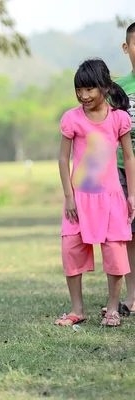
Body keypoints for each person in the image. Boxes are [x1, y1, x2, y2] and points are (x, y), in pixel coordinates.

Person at [56, 58, 135, 327]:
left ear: (103, 87)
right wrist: (69, 196)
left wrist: (131, 195)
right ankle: (77, 309)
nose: (83, 95)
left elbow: (129, 157)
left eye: (89, 89)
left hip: (112, 198)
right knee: (71, 249)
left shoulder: (119, 119)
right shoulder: (72, 119)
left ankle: (113, 309)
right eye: (79, 90)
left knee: (114, 251)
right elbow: (63, 159)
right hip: (78, 199)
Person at [106, 21, 135, 317]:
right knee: (127, 232)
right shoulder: (118, 89)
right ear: (126, 48)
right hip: (120, 169)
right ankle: (132, 296)